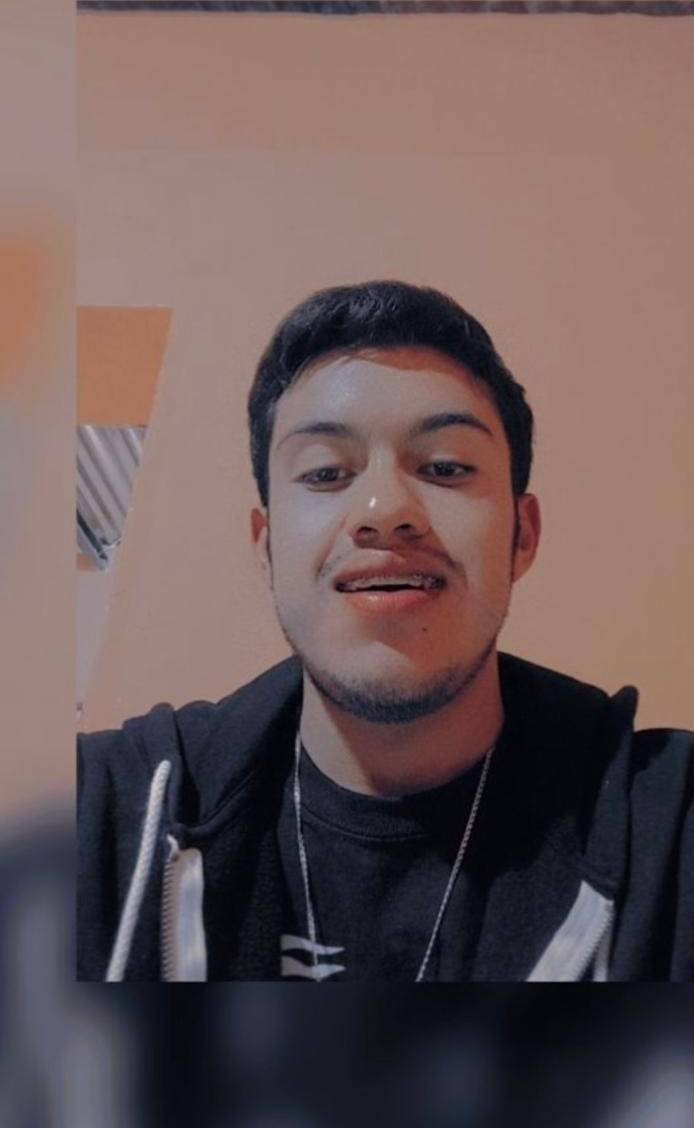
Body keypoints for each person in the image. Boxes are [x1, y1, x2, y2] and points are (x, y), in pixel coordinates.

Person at [77, 280, 693, 982]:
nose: (382, 509)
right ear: (267, 545)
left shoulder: (665, 824)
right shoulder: (101, 809)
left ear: (522, 536)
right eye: (325, 473)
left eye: (445, 467)